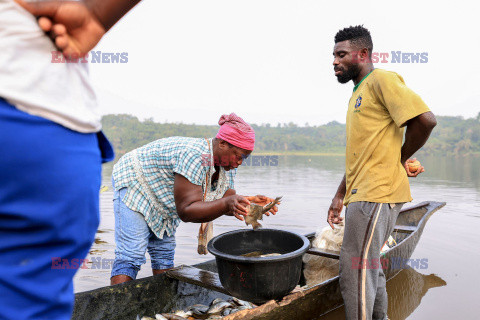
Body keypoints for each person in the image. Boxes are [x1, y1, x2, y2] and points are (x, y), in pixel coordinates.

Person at [0, 1, 143, 319]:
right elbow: (188, 207)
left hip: (37, 125)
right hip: (49, 124)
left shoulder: (220, 167)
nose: (240, 161)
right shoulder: (187, 157)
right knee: (31, 302)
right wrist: (96, 14)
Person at [327, 25, 437, 320]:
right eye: (333, 56)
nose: (334, 61)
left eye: (341, 54)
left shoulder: (381, 80)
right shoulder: (357, 94)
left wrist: (400, 158)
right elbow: (360, 156)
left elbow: (425, 121)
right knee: (369, 265)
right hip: (362, 194)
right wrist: (339, 196)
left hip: (376, 194)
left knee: (354, 268)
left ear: (362, 54)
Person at [110, 113, 279, 285]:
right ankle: (116, 306)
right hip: (136, 182)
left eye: (245, 158)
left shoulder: (228, 163)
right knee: (131, 255)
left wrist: (247, 204)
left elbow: (222, 199)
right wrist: (229, 202)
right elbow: (187, 211)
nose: (240, 162)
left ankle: (164, 304)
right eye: (239, 156)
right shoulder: (194, 155)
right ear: (222, 144)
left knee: (164, 253)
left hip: (165, 196)